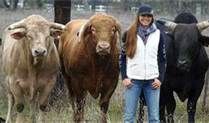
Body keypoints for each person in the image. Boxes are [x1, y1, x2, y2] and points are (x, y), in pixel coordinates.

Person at [120, 4, 166, 123]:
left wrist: (160, 78)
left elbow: (162, 59)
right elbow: (122, 58)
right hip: (133, 81)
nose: (146, 18)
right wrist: (124, 77)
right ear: (138, 16)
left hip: (152, 82)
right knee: (129, 117)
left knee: (155, 118)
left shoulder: (158, 34)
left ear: (152, 17)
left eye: (149, 16)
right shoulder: (129, 33)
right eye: (143, 15)